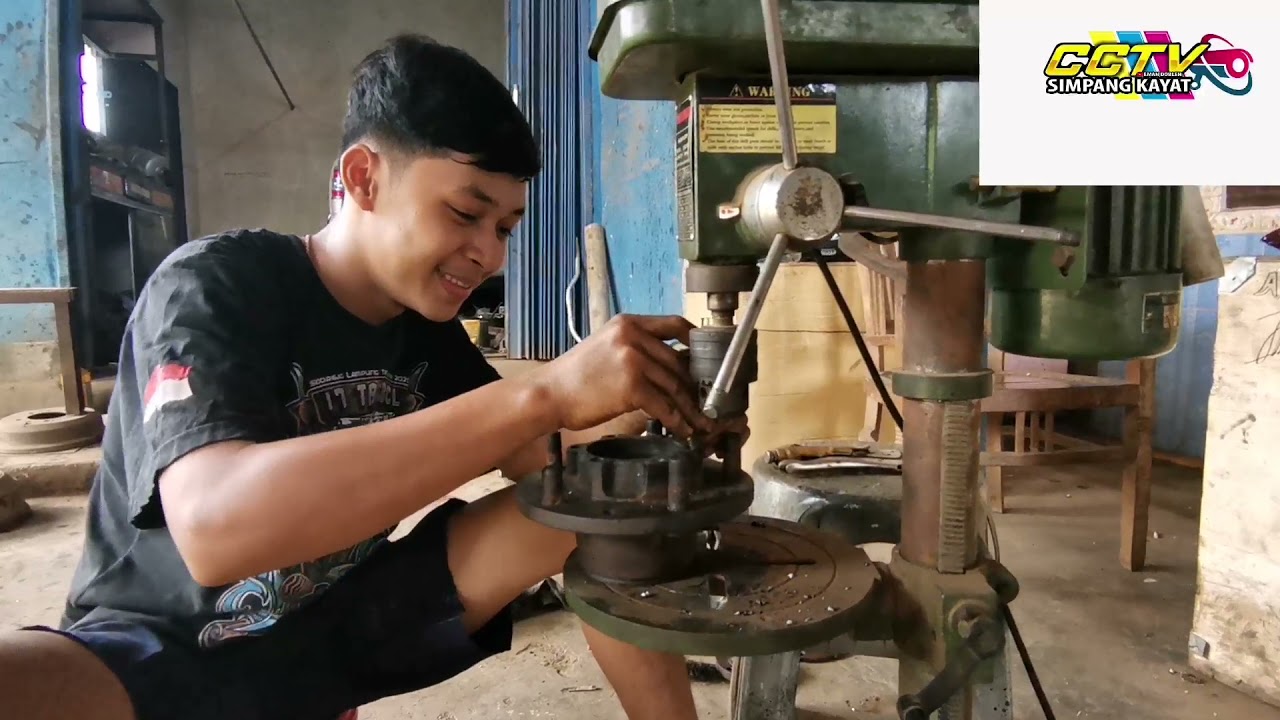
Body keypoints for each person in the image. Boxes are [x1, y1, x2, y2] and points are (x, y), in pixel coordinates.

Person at [0, 34, 737, 720]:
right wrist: (538, 391)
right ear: (362, 178)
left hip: (336, 625)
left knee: (585, 511)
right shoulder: (216, 285)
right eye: (464, 213)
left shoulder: (423, 331)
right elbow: (214, 529)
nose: (489, 254)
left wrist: (657, 402)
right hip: (158, 646)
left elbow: (539, 450)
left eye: (505, 228)